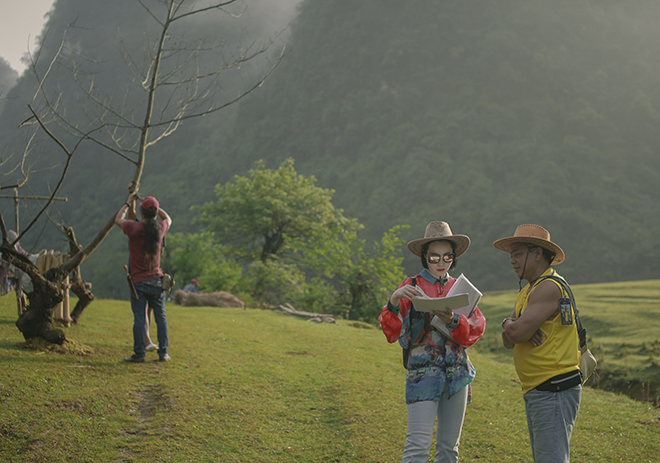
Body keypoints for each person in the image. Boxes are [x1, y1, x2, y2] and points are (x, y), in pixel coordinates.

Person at [379, 221, 486, 463]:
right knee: (418, 447)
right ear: (424, 257)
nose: (441, 263)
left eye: (447, 257)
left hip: (457, 375)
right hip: (422, 374)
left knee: (449, 449)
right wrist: (394, 300)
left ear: (454, 257)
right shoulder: (411, 286)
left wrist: (452, 320)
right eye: (434, 257)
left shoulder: (460, 288)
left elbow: (475, 329)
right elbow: (391, 332)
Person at [494, 224, 581, 463]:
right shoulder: (529, 290)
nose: (512, 261)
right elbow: (508, 341)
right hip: (539, 388)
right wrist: (511, 324)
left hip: (553, 387)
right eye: (511, 255)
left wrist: (516, 326)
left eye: (518, 254)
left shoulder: (548, 287)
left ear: (537, 253)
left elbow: (517, 333)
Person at [115, 192, 172, 362]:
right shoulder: (160, 228)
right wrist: (154, 207)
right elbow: (168, 218)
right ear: (154, 214)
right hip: (156, 281)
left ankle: (139, 353)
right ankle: (163, 353)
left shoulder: (134, 228)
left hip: (138, 282)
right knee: (161, 317)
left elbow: (118, 219)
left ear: (141, 214)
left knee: (139, 318)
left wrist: (128, 202)